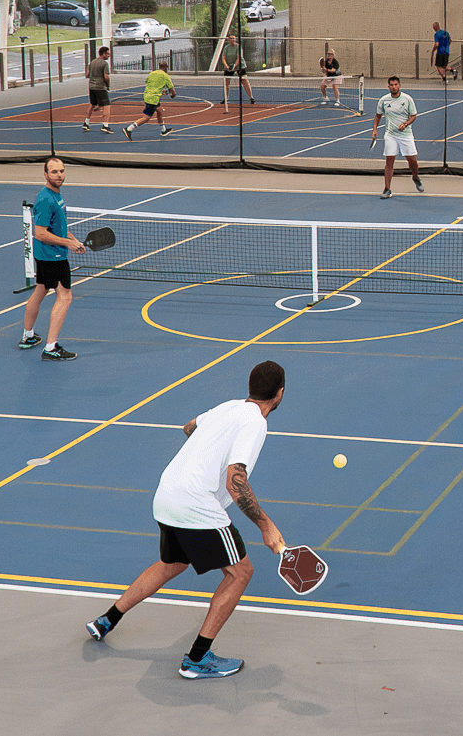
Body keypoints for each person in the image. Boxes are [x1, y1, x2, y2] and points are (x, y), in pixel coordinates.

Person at [85, 360, 288, 679]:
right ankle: (197, 658)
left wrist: (207, 450)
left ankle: (106, 620)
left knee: (172, 564)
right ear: (280, 393)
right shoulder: (255, 423)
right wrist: (266, 526)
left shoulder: (229, 407)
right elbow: (236, 480)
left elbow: (190, 427)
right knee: (240, 573)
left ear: (251, 388)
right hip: (195, 502)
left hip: (168, 493)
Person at [16, 156, 85, 360]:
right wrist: (67, 244)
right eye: (54, 172)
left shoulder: (56, 196)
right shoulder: (46, 199)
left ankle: (28, 336)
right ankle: (51, 347)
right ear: (45, 174)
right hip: (52, 255)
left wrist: (73, 240)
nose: (59, 175)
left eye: (61, 171)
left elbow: (58, 227)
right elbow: (40, 233)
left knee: (41, 290)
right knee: (65, 296)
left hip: (46, 254)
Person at [371, 75, 423, 198]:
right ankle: (387, 189)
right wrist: (374, 129)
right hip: (391, 135)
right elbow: (378, 116)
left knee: (412, 160)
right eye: (391, 85)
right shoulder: (384, 100)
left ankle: (415, 177)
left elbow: (413, 116)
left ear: (399, 86)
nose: (394, 87)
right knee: (389, 161)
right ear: (388, 86)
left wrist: (405, 124)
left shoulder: (407, 99)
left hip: (406, 135)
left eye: (396, 85)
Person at [128, 61, 175, 138]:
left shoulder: (152, 73)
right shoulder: (165, 76)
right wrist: (172, 95)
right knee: (147, 117)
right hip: (153, 99)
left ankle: (163, 130)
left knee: (159, 110)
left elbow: (149, 84)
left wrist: (161, 90)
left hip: (147, 96)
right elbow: (172, 90)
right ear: (165, 68)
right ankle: (129, 128)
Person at [81, 45, 112, 134]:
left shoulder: (92, 62)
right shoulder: (104, 64)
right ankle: (105, 125)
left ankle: (86, 123)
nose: (109, 56)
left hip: (91, 86)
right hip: (100, 87)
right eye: (108, 54)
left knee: (92, 104)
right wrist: (108, 85)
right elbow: (106, 77)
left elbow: (87, 74)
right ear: (104, 53)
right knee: (106, 106)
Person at [218, 32, 255, 106]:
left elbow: (239, 58)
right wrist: (227, 66)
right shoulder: (226, 48)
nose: (232, 39)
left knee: (244, 80)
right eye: (231, 38)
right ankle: (226, 98)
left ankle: (251, 98)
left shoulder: (238, 47)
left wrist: (234, 66)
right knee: (226, 82)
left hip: (240, 66)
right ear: (228, 39)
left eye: (233, 38)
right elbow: (223, 58)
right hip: (229, 66)